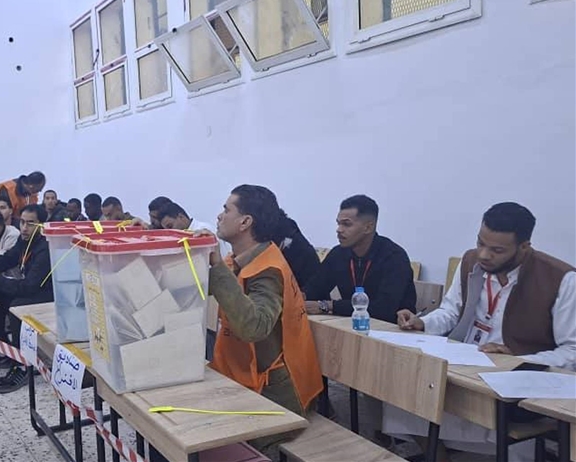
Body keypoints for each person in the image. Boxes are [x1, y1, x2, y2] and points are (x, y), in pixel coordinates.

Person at [388, 202, 575, 461]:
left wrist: (520, 359)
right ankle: (438, 455)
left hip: (514, 377)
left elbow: (571, 351)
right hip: (466, 363)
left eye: (497, 250)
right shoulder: (471, 261)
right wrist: (423, 323)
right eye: (480, 243)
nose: (484, 255)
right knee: (404, 389)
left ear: (524, 247)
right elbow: (451, 311)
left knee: (487, 414)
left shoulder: (561, 279)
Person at [203, 185, 323, 459]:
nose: (219, 216)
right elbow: (192, 285)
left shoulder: (269, 270)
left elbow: (254, 327)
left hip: (275, 393)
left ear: (245, 222)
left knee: (202, 434)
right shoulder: (238, 260)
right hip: (240, 376)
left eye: (226, 210)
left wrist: (216, 267)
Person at [303, 195, 416, 323]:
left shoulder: (394, 257)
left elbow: (383, 309)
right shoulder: (338, 254)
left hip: (391, 328)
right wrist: (299, 296)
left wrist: (327, 306)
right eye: (338, 223)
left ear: (368, 227)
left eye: (346, 224)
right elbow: (315, 288)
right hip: (353, 324)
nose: (339, 230)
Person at [0, 204, 53, 394]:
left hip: (48, 296)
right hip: (31, 290)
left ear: (42, 225)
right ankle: (3, 350)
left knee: (16, 307)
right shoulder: (24, 240)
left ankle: (22, 365)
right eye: (22, 223)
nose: (24, 228)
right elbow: (6, 260)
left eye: (30, 223)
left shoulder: (45, 247)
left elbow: (29, 287)